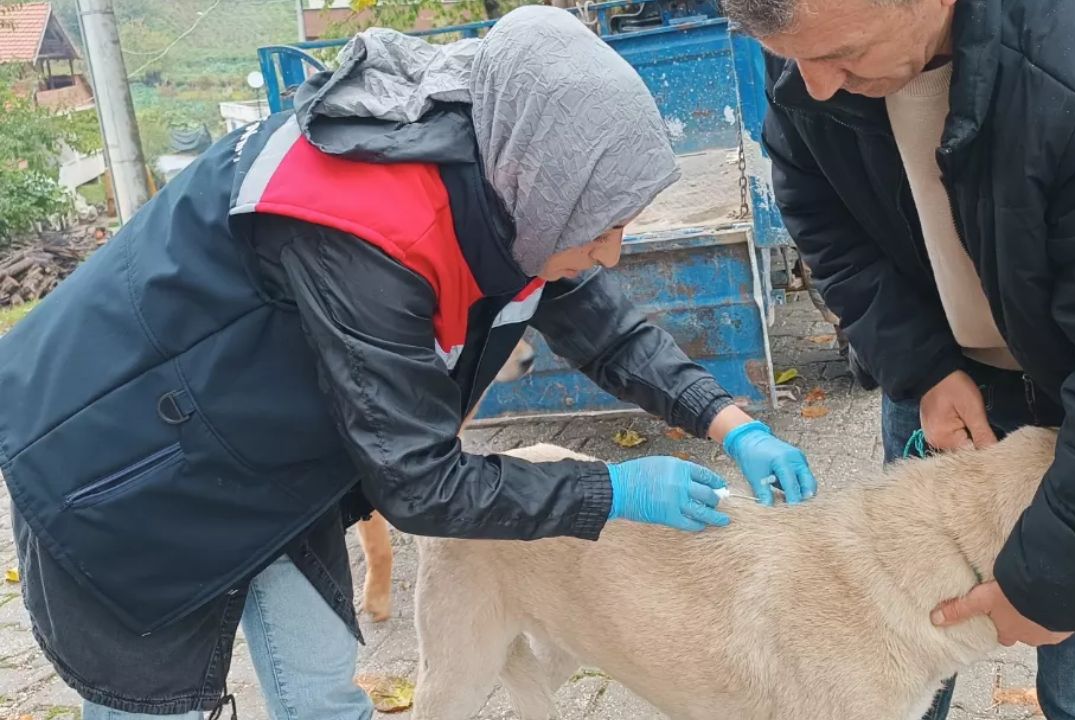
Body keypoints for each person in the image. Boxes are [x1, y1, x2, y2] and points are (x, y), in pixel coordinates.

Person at [0, 8, 817, 719]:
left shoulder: (508, 173)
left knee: (321, 690)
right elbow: (421, 485)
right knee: (154, 707)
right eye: (600, 224)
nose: (611, 251)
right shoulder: (367, 230)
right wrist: (613, 490)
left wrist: (730, 422)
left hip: (260, 456)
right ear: (543, 184)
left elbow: (597, 321)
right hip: (110, 465)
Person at [722, 0, 1075, 717]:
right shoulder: (809, 32)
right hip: (951, 390)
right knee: (888, 659)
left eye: (843, 56)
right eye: (797, 59)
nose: (815, 86)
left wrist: (1057, 581)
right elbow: (819, 214)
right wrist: (922, 365)